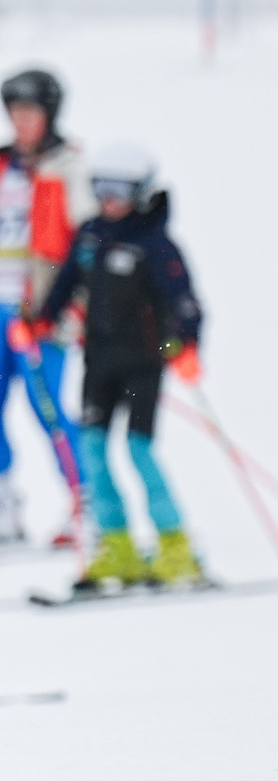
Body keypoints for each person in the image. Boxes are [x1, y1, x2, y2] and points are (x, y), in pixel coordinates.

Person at [16, 144, 202, 592]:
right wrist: (38, 320)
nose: (109, 200)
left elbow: (184, 301)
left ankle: (176, 548)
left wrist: (186, 344)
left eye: (119, 190)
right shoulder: (90, 236)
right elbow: (65, 287)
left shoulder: (153, 243)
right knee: (94, 453)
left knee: (138, 451)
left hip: (142, 364)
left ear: (139, 192)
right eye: (101, 189)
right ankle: (117, 547)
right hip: (99, 363)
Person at [0, 68, 87, 549]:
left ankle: (83, 503)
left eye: (30, 112)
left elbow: (84, 243)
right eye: (14, 112)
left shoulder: (67, 167)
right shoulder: (2, 167)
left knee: (48, 408)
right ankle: (5, 502)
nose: (21, 121)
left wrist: (72, 311)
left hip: (40, 313)